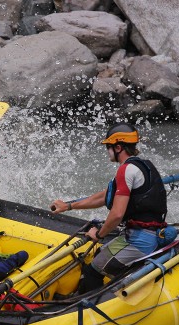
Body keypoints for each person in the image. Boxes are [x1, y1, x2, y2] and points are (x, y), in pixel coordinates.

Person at [50, 122, 168, 294]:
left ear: (118, 147)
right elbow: (103, 196)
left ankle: (91, 305)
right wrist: (68, 206)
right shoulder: (143, 166)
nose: (108, 151)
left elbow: (117, 214)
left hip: (139, 240)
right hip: (151, 233)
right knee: (100, 254)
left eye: (109, 147)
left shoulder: (125, 170)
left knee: (92, 271)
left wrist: (98, 234)